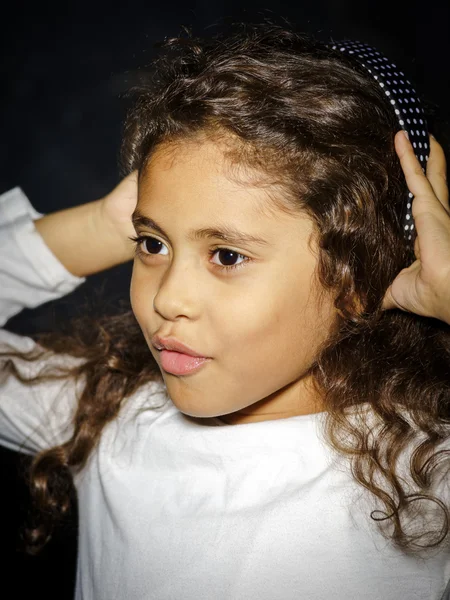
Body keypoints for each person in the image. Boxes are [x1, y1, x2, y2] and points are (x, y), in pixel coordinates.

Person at [1, 22, 450, 600]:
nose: (168, 299)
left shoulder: (428, 472)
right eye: (152, 245)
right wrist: (103, 225)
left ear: (358, 277)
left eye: (227, 255)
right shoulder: (110, 418)